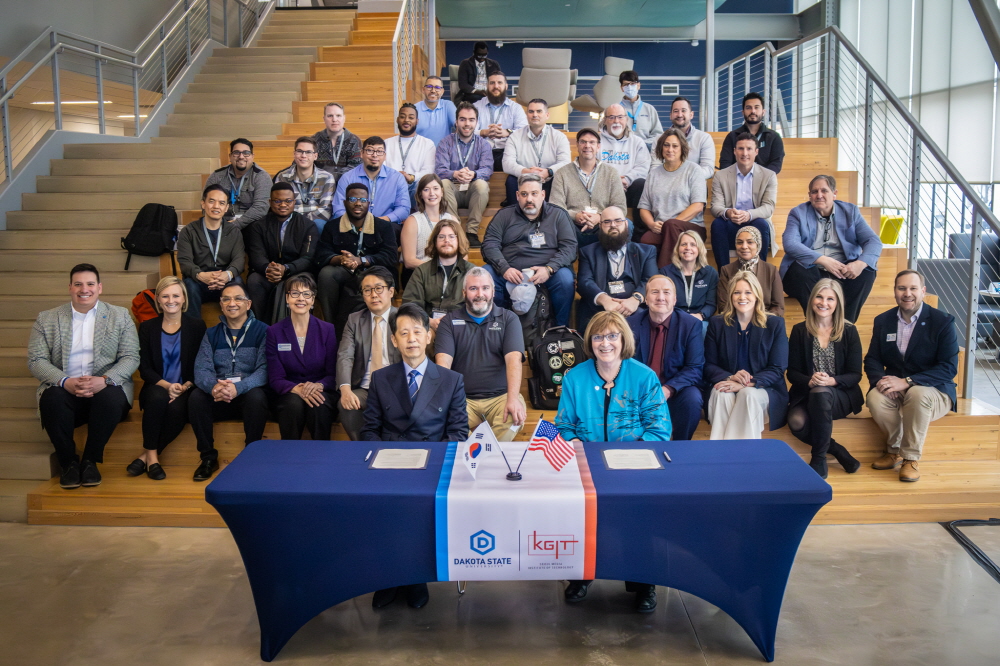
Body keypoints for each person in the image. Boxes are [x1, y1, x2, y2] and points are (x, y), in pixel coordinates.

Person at [556, 311, 669, 613]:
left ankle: (643, 582)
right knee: (583, 519)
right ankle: (582, 576)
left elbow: (659, 429)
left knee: (638, 520)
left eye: (612, 336)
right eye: (598, 337)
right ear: (590, 342)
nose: (605, 343)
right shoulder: (574, 378)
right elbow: (563, 425)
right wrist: (574, 443)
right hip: (588, 465)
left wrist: (632, 458)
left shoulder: (644, 377)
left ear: (623, 340)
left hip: (633, 467)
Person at [363, 303, 468, 612]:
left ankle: (416, 577)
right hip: (389, 466)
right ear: (394, 340)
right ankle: (387, 577)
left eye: (417, 332)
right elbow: (369, 429)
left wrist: (431, 464)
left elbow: (458, 433)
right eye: (404, 333)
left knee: (418, 514)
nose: (411, 339)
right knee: (383, 513)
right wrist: (382, 460)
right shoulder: (381, 378)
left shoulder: (451, 380)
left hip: (430, 468)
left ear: (428, 337)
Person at [28, 264, 139, 489]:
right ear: (70, 287)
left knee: (111, 398)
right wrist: (64, 381)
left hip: (104, 388)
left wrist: (105, 380)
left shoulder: (119, 315)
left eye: (90, 284)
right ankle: (68, 463)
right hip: (65, 388)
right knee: (51, 399)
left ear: (100, 288)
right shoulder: (47, 318)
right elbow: (36, 360)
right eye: (78, 284)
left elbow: (131, 357)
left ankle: (90, 461)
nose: (84, 289)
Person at [864, 270, 958, 483]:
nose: (907, 293)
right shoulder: (883, 321)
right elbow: (873, 359)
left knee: (917, 393)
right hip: (897, 389)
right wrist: (881, 382)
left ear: (923, 291)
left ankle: (910, 459)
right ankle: (894, 450)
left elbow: (948, 367)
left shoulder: (942, 321)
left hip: (934, 390)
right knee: (875, 397)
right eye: (902, 288)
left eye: (913, 288)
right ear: (895, 291)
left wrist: (907, 382)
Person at [435, 266, 527, 442]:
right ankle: (481, 452)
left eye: (485, 288)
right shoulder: (449, 322)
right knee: (442, 420)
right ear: (464, 293)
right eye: (473, 288)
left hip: (501, 396)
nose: (480, 294)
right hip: (462, 399)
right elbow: (443, 364)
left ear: (493, 291)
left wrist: (513, 399)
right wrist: (446, 401)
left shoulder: (509, 319)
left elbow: (514, 361)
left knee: (514, 419)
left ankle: (478, 451)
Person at [189, 282, 269, 482]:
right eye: (226, 299)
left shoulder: (264, 331)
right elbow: (201, 369)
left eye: (238, 299)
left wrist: (238, 387)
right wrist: (214, 387)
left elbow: (264, 370)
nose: (232, 303)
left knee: (257, 396)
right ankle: (208, 458)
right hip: (219, 395)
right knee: (196, 397)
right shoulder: (211, 333)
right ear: (221, 305)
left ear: (248, 304)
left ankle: (251, 455)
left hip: (247, 396)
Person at [130, 277, 206, 481]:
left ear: (184, 299)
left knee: (176, 410)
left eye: (175, 295)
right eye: (165, 296)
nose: (171, 300)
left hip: (186, 386)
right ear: (158, 300)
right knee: (157, 399)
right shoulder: (147, 327)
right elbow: (144, 368)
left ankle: (145, 457)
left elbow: (201, 364)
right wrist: (167, 386)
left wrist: (184, 386)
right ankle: (153, 459)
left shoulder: (197, 326)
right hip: (156, 385)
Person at [787, 279, 863, 478]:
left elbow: (855, 374)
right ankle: (838, 450)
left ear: (838, 303)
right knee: (796, 422)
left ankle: (818, 459)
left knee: (821, 393)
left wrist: (831, 381)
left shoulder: (849, 331)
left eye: (830, 299)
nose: (824, 303)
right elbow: (792, 372)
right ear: (812, 299)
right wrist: (809, 381)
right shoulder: (799, 330)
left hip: (841, 395)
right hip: (807, 392)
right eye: (819, 297)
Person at [781, 175, 882, 323]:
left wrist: (860, 263)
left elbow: (873, 241)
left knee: (867, 270)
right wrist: (822, 260)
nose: (819, 195)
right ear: (809, 195)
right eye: (814, 192)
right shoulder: (798, 213)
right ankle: (816, 323)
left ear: (834, 193)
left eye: (824, 191)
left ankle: (845, 325)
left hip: (841, 270)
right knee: (798, 270)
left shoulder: (850, 211)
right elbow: (790, 243)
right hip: (810, 270)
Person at [481, 173, 579, 327]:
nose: (529, 199)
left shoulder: (558, 215)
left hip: (547, 273)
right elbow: (489, 244)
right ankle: (496, 326)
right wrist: (504, 268)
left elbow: (570, 247)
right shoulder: (504, 215)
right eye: (524, 194)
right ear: (517, 195)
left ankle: (560, 329)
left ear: (543, 195)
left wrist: (549, 269)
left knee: (565, 278)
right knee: (486, 274)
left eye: (534, 194)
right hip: (511, 272)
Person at [703, 271, 788, 440]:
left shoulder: (774, 324)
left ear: (757, 295)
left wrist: (746, 384)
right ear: (731, 296)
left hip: (764, 389)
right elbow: (708, 365)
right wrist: (731, 377)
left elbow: (777, 368)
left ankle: (723, 452)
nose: (742, 297)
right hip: (728, 384)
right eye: (737, 292)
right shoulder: (717, 323)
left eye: (748, 292)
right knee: (721, 393)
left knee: (747, 395)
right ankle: (742, 453)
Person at [628, 275, 705, 441]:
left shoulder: (690, 325)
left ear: (675, 299)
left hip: (674, 390)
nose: (661, 297)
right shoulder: (630, 324)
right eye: (655, 292)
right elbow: (624, 364)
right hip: (639, 390)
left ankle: (680, 446)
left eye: (666, 292)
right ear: (646, 299)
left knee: (692, 398)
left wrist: (668, 389)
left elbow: (694, 368)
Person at [315, 183, 398, 337]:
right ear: (345, 202)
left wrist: (362, 260)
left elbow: (391, 256)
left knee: (375, 280)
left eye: (363, 200)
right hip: (345, 272)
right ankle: (332, 326)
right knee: (326, 274)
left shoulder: (384, 226)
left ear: (369, 203)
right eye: (353, 199)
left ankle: (376, 331)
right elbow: (321, 254)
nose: (358, 203)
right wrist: (340, 259)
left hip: (373, 271)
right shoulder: (332, 226)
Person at [265, 274, 338, 441]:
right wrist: (297, 389)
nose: (301, 298)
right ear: (287, 298)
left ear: (313, 300)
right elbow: (275, 378)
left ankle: (322, 454)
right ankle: (291, 454)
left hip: (321, 390)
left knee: (319, 403)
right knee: (293, 404)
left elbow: (333, 374)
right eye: (295, 293)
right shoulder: (274, 332)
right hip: (289, 392)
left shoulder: (327, 329)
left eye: (306, 294)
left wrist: (318, 385)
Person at [336, 267, 401, 440]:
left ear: (391, 292)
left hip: (396, 388)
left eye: (379, 288)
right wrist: (345, 389)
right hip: (365, 389)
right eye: (367, 290)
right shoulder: (354, 320)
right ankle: (362, 447)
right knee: (347, 404)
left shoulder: (402, 318)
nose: (373, 295)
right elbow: (345, 355)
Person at [244, 182, 319, 325]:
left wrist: (286, 269)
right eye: (277, 201)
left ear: (294, 202)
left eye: (288, 201)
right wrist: (269, 269)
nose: (283, 205)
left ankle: (296, 329)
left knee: (300, 284)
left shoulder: (307, 225)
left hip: (296, 272)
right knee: (254, 280)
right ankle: (261, 327)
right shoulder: (258, 226)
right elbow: (256, 256)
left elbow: (308, 258)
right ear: (270, 202)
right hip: (268, 274)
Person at [576, 206, 657, 333]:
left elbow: (651, 280)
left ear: (626, 224)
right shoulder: (587, 252)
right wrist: (605, 300)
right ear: (600, 226)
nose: (613, 225)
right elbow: (584, 282)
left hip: (635, 309)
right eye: (607, 222)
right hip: (600, 310)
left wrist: (635, 300)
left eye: (618, 221)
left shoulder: (646, 251)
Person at [638, 128, 707, 268]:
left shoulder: (694, 170)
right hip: (662, 227)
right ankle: (651, 277)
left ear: (682, 148)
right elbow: (644, 207)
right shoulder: (654, 174)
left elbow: (698, 206)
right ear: (661, 147)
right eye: (666, 145)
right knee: (646, 239)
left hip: (691, 227)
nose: (670, 149)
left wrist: (671, 223)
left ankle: (665, 274)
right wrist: (651, 224)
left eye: (675, 146)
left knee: (671, 225)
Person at [709, 132, 778, 268]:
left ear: (756, 152)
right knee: (717, 224)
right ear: (735, 151)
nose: (744, 153)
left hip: (755, 221)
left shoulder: (769, 176)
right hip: (731, 222)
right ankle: (723, 273)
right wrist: (728, 212)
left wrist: (748, 214)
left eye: (749, 149)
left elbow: (768, 207)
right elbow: (716, 206)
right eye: (741, 148)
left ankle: (759, 272)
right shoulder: (721, 176)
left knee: (762, 225)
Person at [176, 183, 246, 316]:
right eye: (211, 201)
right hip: (199, 280)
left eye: (221, 203)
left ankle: (239, 326)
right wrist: (200, 275)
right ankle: (194, 328)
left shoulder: (234, 231)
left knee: (237, 282)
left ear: (226, 208)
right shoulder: (188, 231)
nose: (216, 206)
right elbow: (185, 262)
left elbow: (239, 260)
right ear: (203, 203)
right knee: (189, 284)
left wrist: (227, 275)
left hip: (225, 280)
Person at [550, 128, 627, 247]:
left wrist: (600, 217)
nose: (587, 145)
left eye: (592, 142)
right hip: (573, 225)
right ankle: (568, 259)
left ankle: (615, 258)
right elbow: (556, 207)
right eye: (583, 142)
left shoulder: (611, 173)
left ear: (598, 146)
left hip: (603, 224)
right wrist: (576, 216)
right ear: (577, 145)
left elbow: (620, 207)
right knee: (556, 226)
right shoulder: (562, 173)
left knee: (627, 225)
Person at [436, 102, 493, 249]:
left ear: (476, 122)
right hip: (452, 191)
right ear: (456, 121)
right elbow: (440, 170)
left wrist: (474, 174)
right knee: (443, 183)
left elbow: (487, 170)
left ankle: (471, 233)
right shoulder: (445, 143)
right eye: (462, 119)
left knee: (482, 184)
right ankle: (455, 230)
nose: (467, 124)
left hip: (473, 192)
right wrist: (455, 173)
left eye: (471, 120)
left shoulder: (484, 144)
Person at [332, 136, 411, 239]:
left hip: (385, 225)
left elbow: (404, 208)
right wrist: (356, 223)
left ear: (385, 156)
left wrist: (381, 221)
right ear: (361, 153)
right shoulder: (347, 178)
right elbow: (338, 208)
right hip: (353, 225)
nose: (374, 155)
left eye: (379, 151)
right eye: (370, 150)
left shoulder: (397, 178)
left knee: (391, 230)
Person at [402, 217, 474, 328]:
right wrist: (428, 321)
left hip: (462, 326)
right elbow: (410, 304)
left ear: (459, 240)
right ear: (435, 241)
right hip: (429, 327)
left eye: (451, 236)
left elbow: (478, 305)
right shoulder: (422, 271)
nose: (446, 240)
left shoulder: (472, 272)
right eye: (441, 237)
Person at [501, 98, 571, 205]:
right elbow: (507, 164)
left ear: (547, 115)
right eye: (531, 111)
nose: (534, 115)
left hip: (549, 180)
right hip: (524, 181)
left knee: (559, 179)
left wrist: (548, 172)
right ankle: (516, 214)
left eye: (539, 111)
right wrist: (527, 172)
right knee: (511, 180)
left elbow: (565, 162)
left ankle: (551, 214)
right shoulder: (515, 137)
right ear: (526, 115)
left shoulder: (559, 137)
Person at [599, 103, 651, 225]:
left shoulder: (637, 142)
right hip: (603, 189)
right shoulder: (597, 141)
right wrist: (613, 182)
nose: (616, 121)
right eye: (611, 117)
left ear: (626, 119)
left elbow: (643, 167)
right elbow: (592, 167)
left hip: (628, 188)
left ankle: (639, 230)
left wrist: (626, 179)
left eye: (620, 117)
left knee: (641, 184)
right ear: (605, 120)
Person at [204, 138, 272, 229]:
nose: (241, 157)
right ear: (230, 156)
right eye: (236, 153)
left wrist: (235, 225)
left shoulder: (261, 176)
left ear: (252, 156)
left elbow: (261, 208)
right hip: (221, 223)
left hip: (252, 225)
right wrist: (218, 223)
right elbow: (206, 202)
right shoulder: (217, 175)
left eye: (246, 153)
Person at [272, 136, 336, 233]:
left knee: (320, 225)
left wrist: (302, 222)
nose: (303, 155)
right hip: (289, 223)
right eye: (300, 151)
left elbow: (326, 210)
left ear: (315, 156)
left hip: (315, 224)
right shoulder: (282, 177)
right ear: (294, 154)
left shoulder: (327, 177)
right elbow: (280, 207)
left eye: (308, 152)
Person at [717, 226, 784, 317]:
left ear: (758, 244)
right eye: (740, 242)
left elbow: (778, 307)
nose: (744, 246)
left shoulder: (771, 270)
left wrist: (761, 319)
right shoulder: (726, 270)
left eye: (750, 242)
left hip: (765, 321)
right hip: (735, 321)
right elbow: (723, 305)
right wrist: (742, 320)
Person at [401, 173, 458, 272]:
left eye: (435, 188)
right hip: (421, 273)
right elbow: (409, 261)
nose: (432, 193)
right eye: (426, 189)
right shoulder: (412, 221)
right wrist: (439, 269)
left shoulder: (452, 220)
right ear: (420, 194)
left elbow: (463, 255)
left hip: (449, 273)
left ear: (442, 192)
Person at [662, 230, 718, 332]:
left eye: (693, 245)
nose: (688, 248)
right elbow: (664, 302)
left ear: (699, 249)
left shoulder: (710, 273)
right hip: (673, 319)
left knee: (703, 329)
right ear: (678, 249)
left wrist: (700, 315)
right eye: (684, 244)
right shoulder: (666, 272)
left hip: (700, 319)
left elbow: (711, 304)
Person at [385, 103, 436, 210]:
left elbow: (429, 170)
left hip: (415, 187)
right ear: (397, 120)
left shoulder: (427, 144)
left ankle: (417, 218)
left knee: (421, 186)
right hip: (391, 186)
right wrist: (395, 177)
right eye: (402, 117)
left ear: (417, 121)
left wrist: (411, 177)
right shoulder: (386, 143)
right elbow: (382, 168)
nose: (406, 120)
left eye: (411, 117)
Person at [474, 71, 528, 171]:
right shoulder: (476, 107)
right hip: (481, 152)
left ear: (506, 86)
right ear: (487, 86)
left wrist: (507, 132)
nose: (496, 86)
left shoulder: (515, 108)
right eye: (492, 83)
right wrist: (484, 132)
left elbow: (524, 131)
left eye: (499, 83)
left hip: (507, 151)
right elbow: (468, 131)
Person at [718, 92, 785, 173]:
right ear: (743, 112)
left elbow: (776, 164)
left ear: (763, 112)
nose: (753, 111)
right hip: (736, 179)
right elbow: (725, 164)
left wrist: (758, 177)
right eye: (748, 108)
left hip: (764, 179)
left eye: (756, 107)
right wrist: (742, 177)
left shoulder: (774, 137)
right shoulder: (732, 136)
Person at [309, 102, 362, 180]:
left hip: (346, 183)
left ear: (344, 118)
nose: (334, 119)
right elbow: (304, 164)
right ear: (324, 118)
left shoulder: (354, 140)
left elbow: (356, 167)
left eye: (338, 116)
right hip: (319, 183)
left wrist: (333, 179)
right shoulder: (313, 140)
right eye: (330, 116)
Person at [669, 96, 715, 179]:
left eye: (683, 110)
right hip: (667, 183)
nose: (679, 115)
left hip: (693, 184)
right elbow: (656, 167)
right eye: (676, 111)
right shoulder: (660, 139)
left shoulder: (704, 138)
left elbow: (708, 169)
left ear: (691, 115)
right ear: (671, 115)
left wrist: (686, 178)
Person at [618, 70, 663, 150]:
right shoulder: (615, 110)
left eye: (632, 84)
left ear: (638, 85)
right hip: (622, 153)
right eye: (626, 84)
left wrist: (642, 144)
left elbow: (658, 135)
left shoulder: (649, 109)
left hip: (645, 152)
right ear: (622, 88)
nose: (629, 87)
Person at [415, 75, 457, 145]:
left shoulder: (448, 105)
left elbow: (459, 125)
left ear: (442, 91)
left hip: (443, 151)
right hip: (420, 151)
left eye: (437, 88)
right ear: (423, 90)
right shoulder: (415, 109)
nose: (433, 91)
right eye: (429, 87)